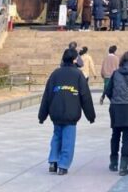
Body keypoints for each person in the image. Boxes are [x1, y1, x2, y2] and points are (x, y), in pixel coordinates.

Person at [38, 47, 96, 176]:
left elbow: (47, 96)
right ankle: (63, 165)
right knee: (68, 139)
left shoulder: (55, 74)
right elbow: (85, 96)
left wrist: (42, 115)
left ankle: (53, 161)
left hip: (56, 112)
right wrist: (90, 116)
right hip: (71, 114)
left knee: (57, 136)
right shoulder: (78, 75)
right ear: (75, 59)